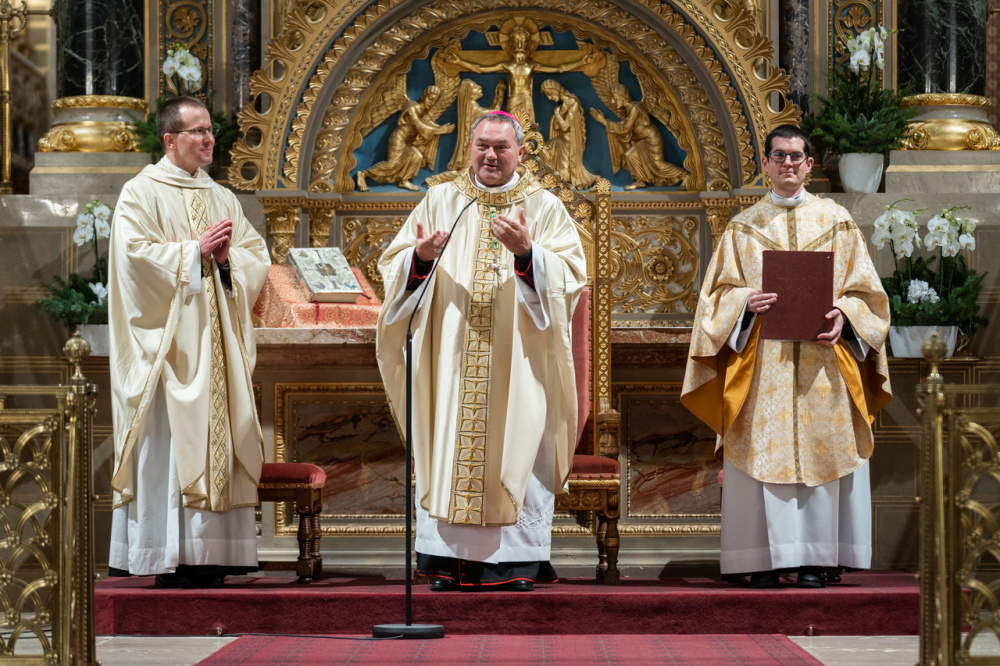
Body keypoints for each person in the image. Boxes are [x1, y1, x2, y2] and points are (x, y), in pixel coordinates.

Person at [376, 110, 587, 591]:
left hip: (520, 361)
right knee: (449, 441)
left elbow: (572, 279)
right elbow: (395, 267)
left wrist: (529, 255)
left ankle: (515, 562)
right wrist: (419, 259)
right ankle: (445, 561)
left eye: (501, 147)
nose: (490, 156)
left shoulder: (545, 206)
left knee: (518, 440)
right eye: (482, 146)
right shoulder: (440, 200)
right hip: (450, 359)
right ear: (469, 148)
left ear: (521, 152)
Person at [681, 124, 892, 589]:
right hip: (763, 368)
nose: (788, 164)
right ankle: (760, 559)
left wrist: (845, 315)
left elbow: (870, 297)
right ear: (766, 164)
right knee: (761, 454)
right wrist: (744, 303)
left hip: (824, 364)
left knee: (823, 453)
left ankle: (817, 559)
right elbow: (713, 302)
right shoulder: (743, 228)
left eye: (796, 156)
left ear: (809, 164)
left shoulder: (837, 222)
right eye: (778, 156)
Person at [107, 96, 271, 588]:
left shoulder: (222, 197)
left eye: (209, 131)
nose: (207, 139)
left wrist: (225, 262)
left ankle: (215, 555)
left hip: (217, 344)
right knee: (172, 442)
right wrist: (191, 253)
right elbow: (133, 259)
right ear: (170, 140)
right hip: (170, 348)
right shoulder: (140, 192)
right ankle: (169, 553)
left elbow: (254, 254)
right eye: (197, 131)